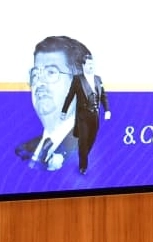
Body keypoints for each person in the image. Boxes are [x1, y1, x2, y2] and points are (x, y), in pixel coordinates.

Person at [15, 36, 84, 171]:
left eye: (51, 72)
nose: (39, 82)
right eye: (35, 74)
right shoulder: (22, 150)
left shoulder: (88, 146)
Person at [61, 53, 111, 175]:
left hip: (95, 115)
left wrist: (107, 110)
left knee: (91, 139)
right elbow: (70, 96)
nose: (91, 66)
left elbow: (103, 96)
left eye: (92, 64)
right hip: (82, 115)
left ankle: (83, 155)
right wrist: (64, 111)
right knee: (83, 140)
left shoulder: (98, 79)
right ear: (83, 65)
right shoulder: (78, 79)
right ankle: (83, 166)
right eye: (89, 64)